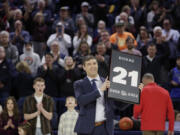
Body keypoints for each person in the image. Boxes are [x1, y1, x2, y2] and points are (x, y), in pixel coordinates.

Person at [74, 55, 114, 135]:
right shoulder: (79, 84)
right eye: (89, 64)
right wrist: (100, 90)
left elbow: (119, 105)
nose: (92, 66)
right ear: (84, 67)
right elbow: (81, 101)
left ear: (97, 65)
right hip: (85, 129)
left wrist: (135, 94)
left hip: (105, 129)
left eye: (94, 63)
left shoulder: (108, 83)